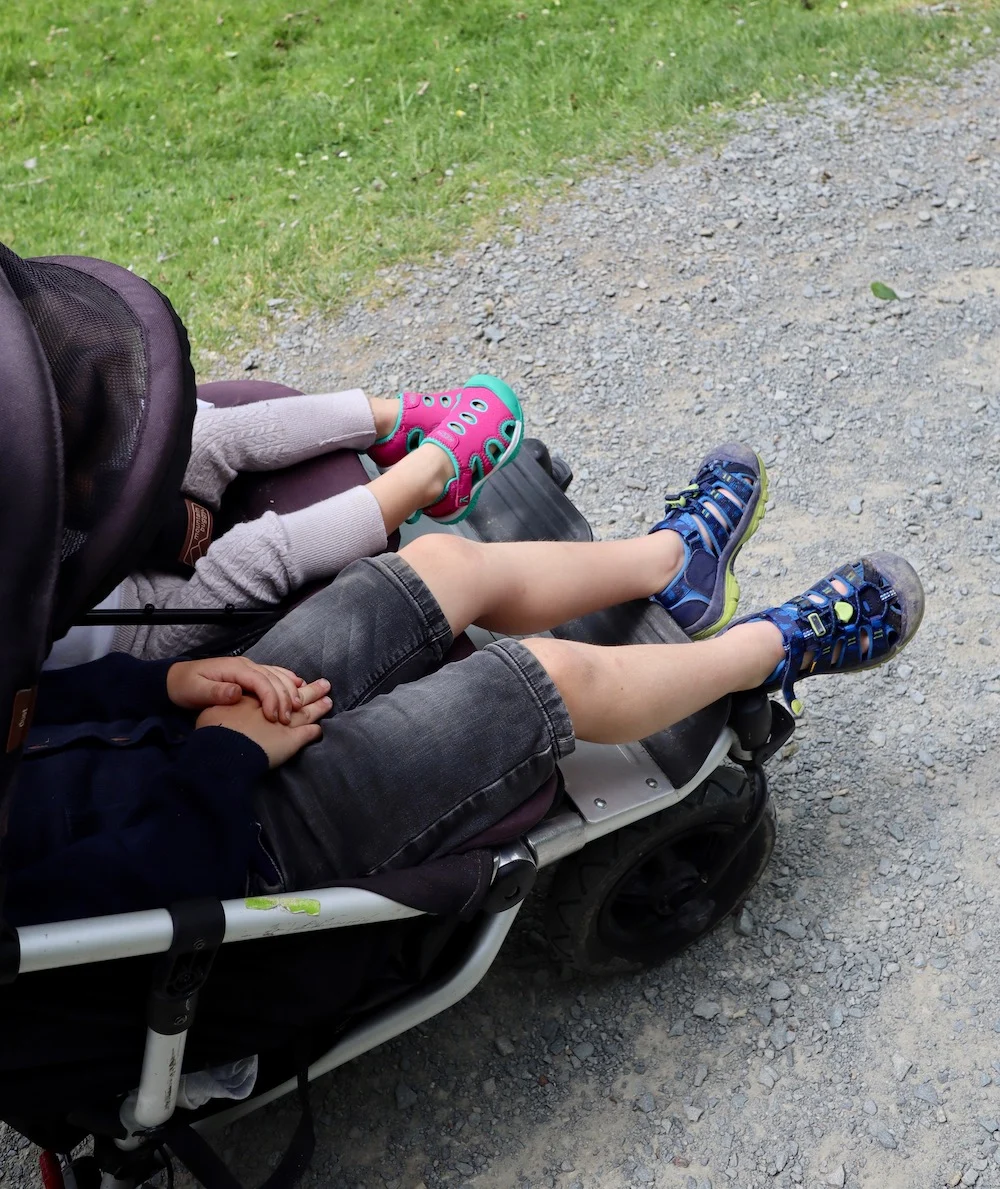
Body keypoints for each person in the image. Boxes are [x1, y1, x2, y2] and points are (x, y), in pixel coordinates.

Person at [5, 442, 923, 927]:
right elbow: (149, 877)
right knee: (537, 678)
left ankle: (672, 565)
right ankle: (776, 649)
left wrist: (169, 686)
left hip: (193, 744)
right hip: (230, 847)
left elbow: (37, 705)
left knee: (441, 563)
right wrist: (224, 755)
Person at [44, 374, 523, 666]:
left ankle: (391, 423)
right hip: (125, 635)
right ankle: (432, 477)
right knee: (253, 555)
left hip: (87, 531)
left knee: (204, 437)